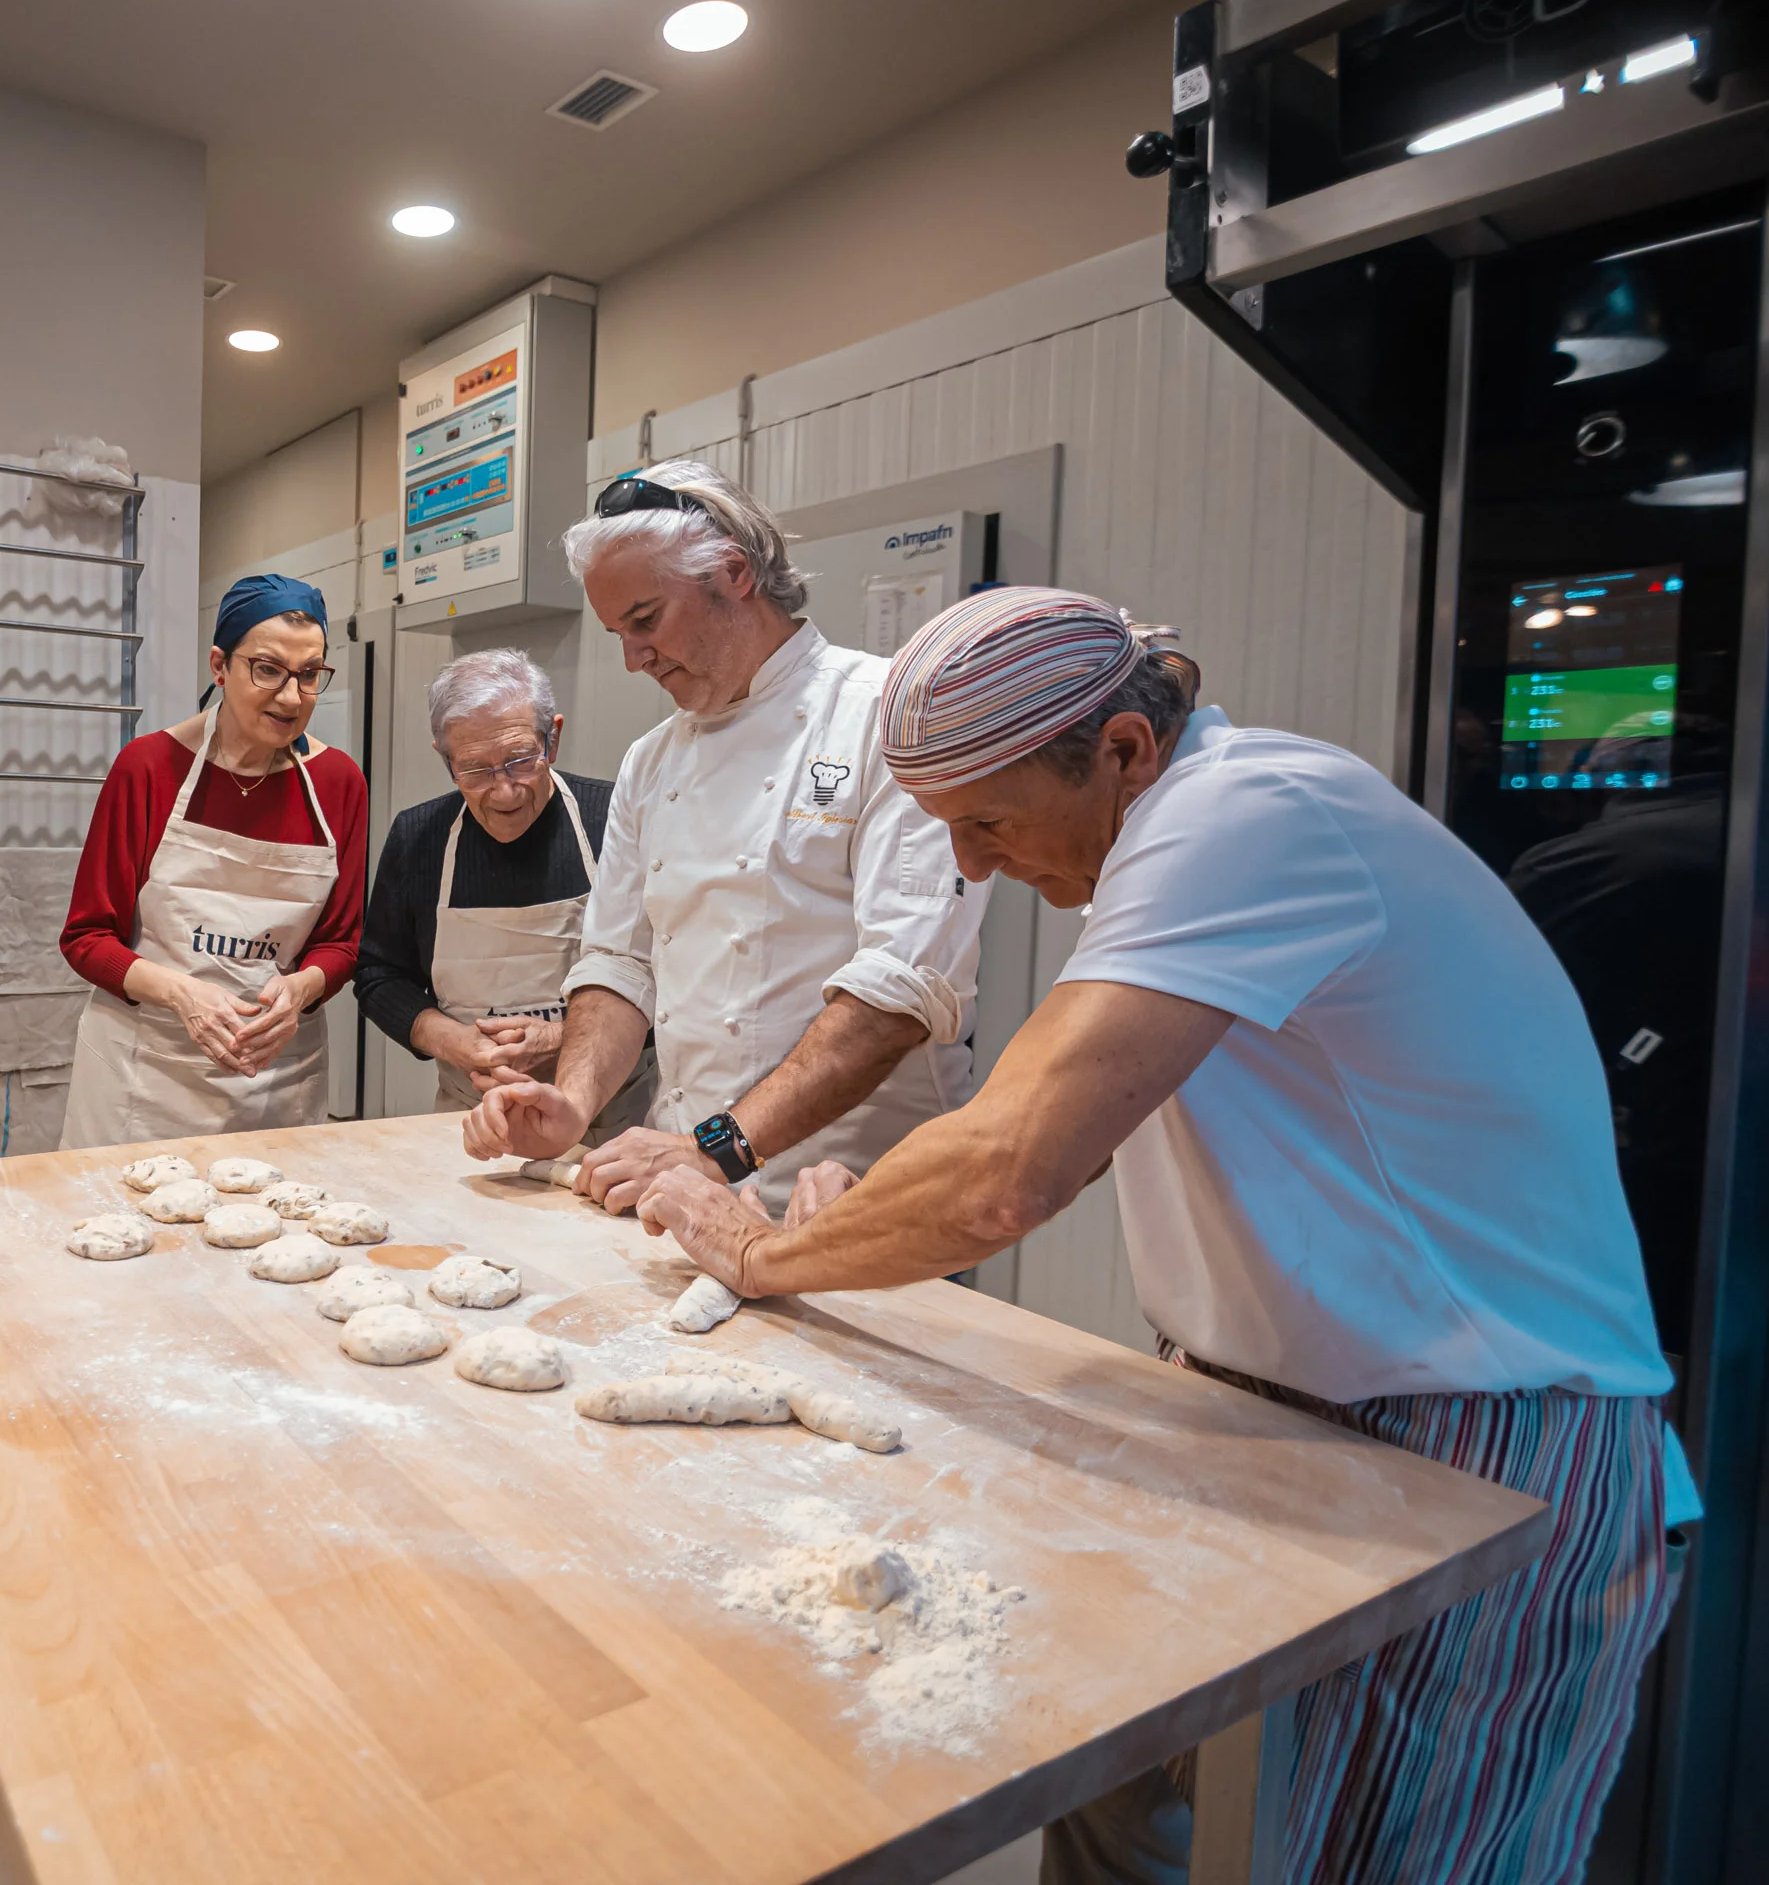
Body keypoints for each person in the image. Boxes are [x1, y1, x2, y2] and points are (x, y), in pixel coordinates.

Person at [628, 585, 1697, 1885]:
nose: (971, 864)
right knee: (1145, 1826)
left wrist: (754, 1252)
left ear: (1126, 752)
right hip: (1274, 1413)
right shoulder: (1176, 840)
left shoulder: (1250, 819)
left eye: (987, 820)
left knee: (1375, 1860)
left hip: (1476, 1437)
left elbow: (1010, 1170)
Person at [459, 460, 987, 1215]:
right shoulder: (653, 759)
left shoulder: (886, 718)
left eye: (645, 621)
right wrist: (573, 1102)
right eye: (617, 632)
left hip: (854, 1193)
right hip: (675, 1180)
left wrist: (718, 1146)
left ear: (734, 573)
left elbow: (896, 991)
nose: (632, 658)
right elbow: (619, 960)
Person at [58, 573, 367, 1144]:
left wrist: (300, 990)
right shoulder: (148, 768)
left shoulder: (337, 782)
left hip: (276, 1077)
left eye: (309, 674)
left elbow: (342, 943)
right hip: (144, 1077)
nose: (292, 697)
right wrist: (183, 994)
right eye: (268, 670)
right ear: (220, 666)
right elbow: (86, 937)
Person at [353, 648, 653, 1130]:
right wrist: (454, 1043)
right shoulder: (419, 838)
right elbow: (379, 977)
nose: (505, 791)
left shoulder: (616, 820)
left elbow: (675, 976)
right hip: (473, 1120)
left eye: (520, 761)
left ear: (552, 739)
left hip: (616, 1121)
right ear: (445, 759)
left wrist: (562, 1038)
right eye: (475, 769)